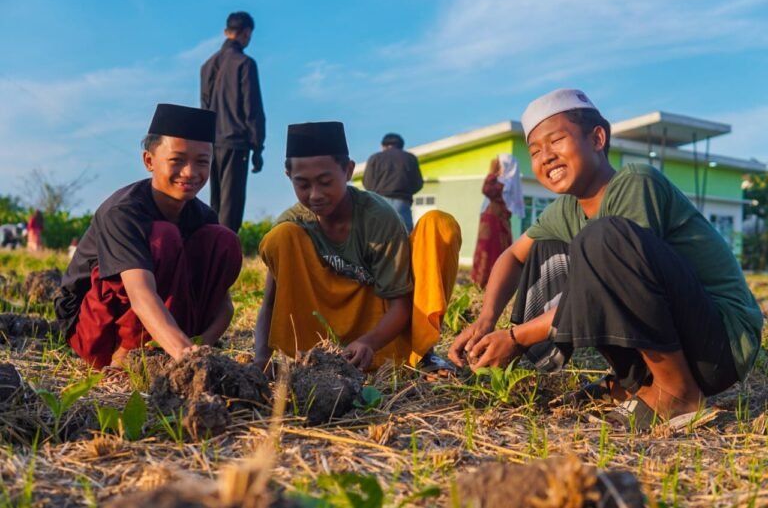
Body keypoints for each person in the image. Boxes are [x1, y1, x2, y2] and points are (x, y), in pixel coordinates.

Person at [448, 88, 763, 430]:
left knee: (601, 239)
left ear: (597, 138)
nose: (546, 157)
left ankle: (679, 394)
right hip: (682, 336)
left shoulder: (635, 183)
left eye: (556, 141)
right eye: (535, 151)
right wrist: (486, 319)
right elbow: (512, 255)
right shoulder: (567, 209)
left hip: (720, 345)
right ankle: (637, 383)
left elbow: (617, 283)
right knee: (546, 248)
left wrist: (516, 336)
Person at [255, 122, 461, 372]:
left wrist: (368, 342)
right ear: (289, 177)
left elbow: (401, 303)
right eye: (304, 185)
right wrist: (260, 361)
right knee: (280, 236)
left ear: (348, 170)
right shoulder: (292, 227)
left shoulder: (379, 218)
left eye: (325, 181)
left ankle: (422, 355)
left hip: (383, 342)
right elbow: (270, 303)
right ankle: (310, 361)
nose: (316, 194)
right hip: (323, 351)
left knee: (439, 224)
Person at [55, 104, 243, 370]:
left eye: (202, 161)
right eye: (177, 160)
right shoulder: (123, 212)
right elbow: (141, 295)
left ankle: (164, 352)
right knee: (163, 238)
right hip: (95, 328)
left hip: (168, 331)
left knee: (223, 240)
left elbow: (225, 306)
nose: (190, 172)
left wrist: (201, 352)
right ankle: (127, 358)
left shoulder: (202, 217)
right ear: (149, 161)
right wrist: (186, 356)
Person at [201, 11, 266, 233]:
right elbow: (252, 108)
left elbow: (204, 106)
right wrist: (257, 147)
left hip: (211, 142)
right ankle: (225, 258)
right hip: (236, 142)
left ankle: (209, 256)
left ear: (226, 31)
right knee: (231, 206)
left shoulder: (207, 65)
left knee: (215, 203)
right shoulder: (245, 64)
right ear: (247, 34)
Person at [471, 154, 524, 288]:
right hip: (491, 220)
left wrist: (492, 174)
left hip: (498, 221)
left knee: (499, 250)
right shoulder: (502, 181)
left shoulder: (506, 182)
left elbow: (487, 189)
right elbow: (487, 190)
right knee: (487, 249)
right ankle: (482, 281)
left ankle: (497, 282)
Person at [363, 133, 423, 232]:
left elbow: (367, 182)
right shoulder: (410, 158)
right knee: (405, 236)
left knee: (379, 236)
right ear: (401, 146)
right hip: (402, 202)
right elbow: (418, 184)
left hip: (379, 202)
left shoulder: (375, 158)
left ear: (383, 146)